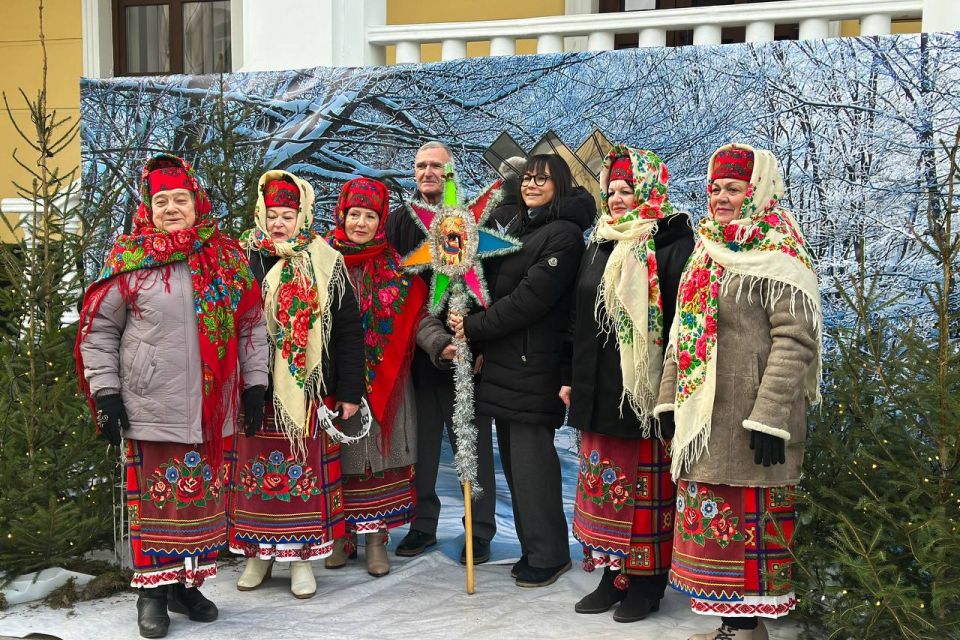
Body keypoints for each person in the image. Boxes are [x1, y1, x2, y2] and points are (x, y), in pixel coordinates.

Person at [75, 154, 268, 639]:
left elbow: (251, 326)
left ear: (197, 203)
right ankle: (153, 594)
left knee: (201, 500)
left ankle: (185, 586)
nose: (171, 208)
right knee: (157, 503)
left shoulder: (226, 259)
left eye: (180, 199)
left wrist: (255, 385)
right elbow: (98, 331)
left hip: (213, 408)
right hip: (151, 405)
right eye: (161, 201)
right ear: (148, 208)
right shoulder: (130, 262)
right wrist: (106, 395)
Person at [654, 144, 822, 640]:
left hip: (752, 422)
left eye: (733, 188)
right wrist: (668, 398)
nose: (721, 197)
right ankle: (734, 627)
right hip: (704, 422)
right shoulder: (707, 249)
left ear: (757, 191)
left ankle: (749, 631)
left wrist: (770, 416)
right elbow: (683, 332)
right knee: (716, 538)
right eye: (715, 188)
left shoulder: (780, 253)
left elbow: (796, 339)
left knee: (749, 533)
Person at [449, 153, 595, 587]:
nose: (531, 185)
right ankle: (534, 547)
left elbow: (529, 300)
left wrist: (474, 327)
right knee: (516, 466)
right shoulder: (519, 226)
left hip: (535, 363)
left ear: (559, 185)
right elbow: (494, 287)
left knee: (533, 466)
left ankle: (549, 553)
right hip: (506, 362)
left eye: (542, 179)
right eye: (528, 178)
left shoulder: (564, 235)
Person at [564, 147, 694, 621]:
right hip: (597, 389)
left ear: (650, 192)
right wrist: (568, 377)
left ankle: (645, 583)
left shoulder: (674, 243)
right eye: (612, 191)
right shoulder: (600, 241)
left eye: (627, 191)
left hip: (643, 393)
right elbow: (578, 317)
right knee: (605, 486)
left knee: (643, 491)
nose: (617, 199)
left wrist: (672, 392)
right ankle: (611, 576)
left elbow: (683, 323)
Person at [230, 170, 364, 599]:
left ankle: (302, 559)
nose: (278, 224)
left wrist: (350, 391)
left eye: (287, 216)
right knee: (255, 476)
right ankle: (258, 555)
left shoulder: (326, 261)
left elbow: (348, 331)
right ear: (260, 214)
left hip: (307, 390)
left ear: (302, 216)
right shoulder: (243, 258)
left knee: (301, 474)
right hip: (255, 389)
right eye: (272, 215)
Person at [328, 176, 456, 577]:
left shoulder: (395, 268)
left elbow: (418, 317)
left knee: (377, 462)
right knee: (339, 459)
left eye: (370, 216)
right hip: (334, 383)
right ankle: (340, 537)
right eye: (354, 214)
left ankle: (375, 539)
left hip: (387, 381)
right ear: (342, 215)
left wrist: (440, 344)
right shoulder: (321, 262)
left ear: (380, 221)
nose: (361, 223)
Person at [387, 141, 498, 565]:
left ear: (451, 172)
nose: (427, 172)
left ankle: (479, 530)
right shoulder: (399, 222)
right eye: (421, 165)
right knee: (422, 448)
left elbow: (493, 286)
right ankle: (422, 524)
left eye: (437, 165)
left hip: (469, 354)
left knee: (473, 448)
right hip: (417, 356)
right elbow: (392, 288)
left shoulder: (474, 219)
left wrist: (479, 341)